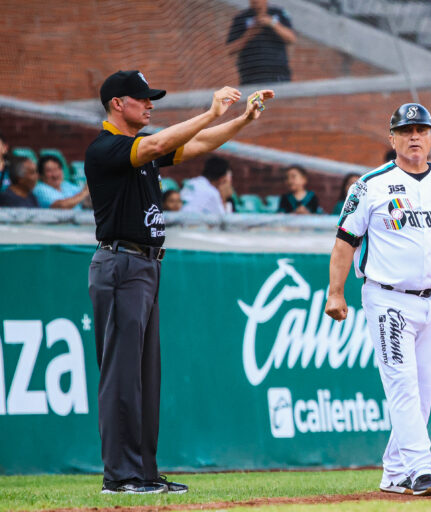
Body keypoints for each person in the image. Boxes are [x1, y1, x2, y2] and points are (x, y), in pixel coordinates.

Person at [86, 69, 273, 494]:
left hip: (145, 266)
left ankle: (143, 472)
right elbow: (156, 143)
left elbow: (195, 145)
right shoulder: (107, 148)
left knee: (145, 377)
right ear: (118, 103)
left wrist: (241, 120)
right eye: (142, 98)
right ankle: (120, 477)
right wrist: (209, 111)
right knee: (121, 376)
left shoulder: (142, 148)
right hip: (121, 264)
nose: (150, 104)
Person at [325, 103, 431, 497]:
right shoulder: (370, 184)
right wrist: (336, 291)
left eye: (421, 130)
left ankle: (395, 472)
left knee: (424, 390)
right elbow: (345, 240)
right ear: (392, 137)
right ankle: (421, 469)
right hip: (388, 298)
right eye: (405, 129)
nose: (414, 136)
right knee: (402, 384)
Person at [226, 0, 297, 85]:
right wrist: (250, 34)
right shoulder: (241, 18)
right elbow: (230, 49)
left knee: (275, 97)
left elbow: (291, 38)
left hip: (277, 76)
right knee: (255, 98)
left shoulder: (278, 13)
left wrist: (272, 23)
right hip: (251, 77)